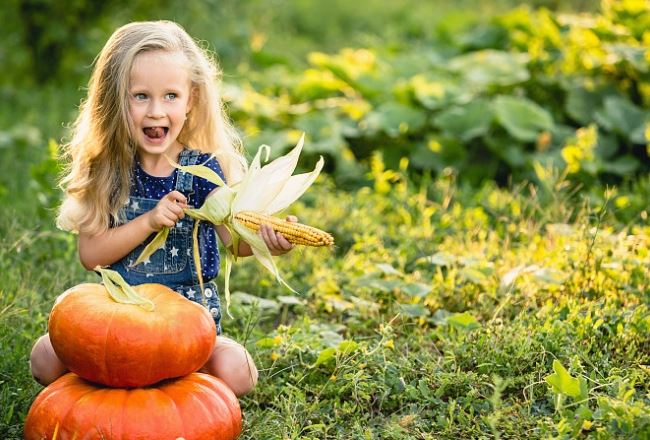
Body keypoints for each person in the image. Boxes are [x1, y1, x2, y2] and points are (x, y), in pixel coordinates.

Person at [29, 20, 296, 397]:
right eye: (140, 96)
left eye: (170, 95)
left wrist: (269, 241)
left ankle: (149, 381)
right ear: (115, 101)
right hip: (120, 325)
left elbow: (234, 243)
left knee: (239, 372)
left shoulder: (204, 171)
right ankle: (153, 384)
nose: (156, 111)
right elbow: (91, 255)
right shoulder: (109, 169)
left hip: (187, 330)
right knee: (44, 359)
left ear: (192, 101)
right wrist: (150, 221)